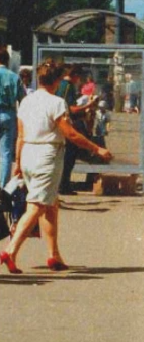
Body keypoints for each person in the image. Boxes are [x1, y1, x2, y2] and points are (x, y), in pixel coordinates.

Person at [1, 60, 112, 274]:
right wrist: (96, 149)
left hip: (28, 154)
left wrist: (18, 161)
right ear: (57, 81)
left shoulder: (26, 102)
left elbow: (21, 135)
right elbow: (70, 133)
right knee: (36, 206)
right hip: (47, 155)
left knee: (50, 204)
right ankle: (10, 250)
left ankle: (54, 255)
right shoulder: (57, 103)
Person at [56, 66, 96, 195]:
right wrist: (88, 105)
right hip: (65, 125)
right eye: (79, 77)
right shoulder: (67, 86)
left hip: (62, 123)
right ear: (75, 75)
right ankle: (63, 184)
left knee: (68, 155)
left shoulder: (64, 85)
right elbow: (70, 108)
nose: (80, 80)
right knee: (69, 155)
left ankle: (63, 183)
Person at [0, 50, 25, 187]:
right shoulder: (14, 77)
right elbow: (23, 99)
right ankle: (2, 187)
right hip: (8, 114)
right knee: (6, 153)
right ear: (7, 61)